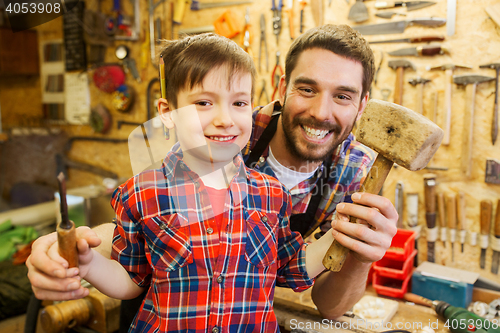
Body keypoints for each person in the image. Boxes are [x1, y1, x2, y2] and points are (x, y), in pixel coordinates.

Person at [27, 24, 398, 323]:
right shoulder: (221, 137)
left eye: (343, 96)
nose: (321, 111)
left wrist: (356, 242)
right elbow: (145, 224)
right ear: (282, 89)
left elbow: (301, 275)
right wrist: (76, 252)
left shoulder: (355, 177)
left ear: (362, 104)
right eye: (307, 88)